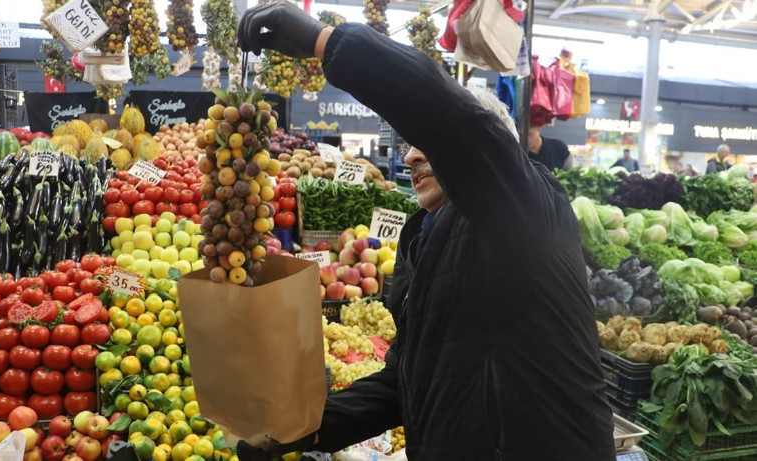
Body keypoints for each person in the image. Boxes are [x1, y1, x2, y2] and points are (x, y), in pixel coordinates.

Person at [235, 4, 616, 460]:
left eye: (426, 145)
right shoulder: (428, 239)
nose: (412, 158)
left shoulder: (529, 209)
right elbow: (409, 379)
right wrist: (309, 428)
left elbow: (455, 122)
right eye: (410, 146)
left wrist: (328, 43)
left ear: (484, 152)